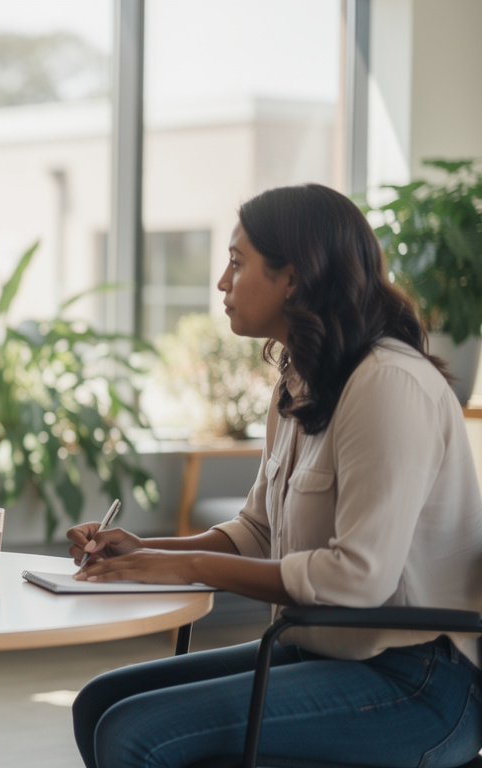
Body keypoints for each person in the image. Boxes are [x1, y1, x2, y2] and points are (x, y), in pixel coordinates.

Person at [68, 183, 482, 768]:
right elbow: (258, 531)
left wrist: (185, 566)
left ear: (294, 276)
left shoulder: (389, 384)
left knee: (135, 732)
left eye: (237, 263)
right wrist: (144, 550)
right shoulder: (300, 380)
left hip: (419, 682)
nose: (221, 282)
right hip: (328, 654)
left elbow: (358, 578)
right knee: (100, 703)